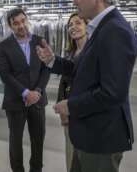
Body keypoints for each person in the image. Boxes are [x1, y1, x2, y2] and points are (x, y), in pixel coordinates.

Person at [37, 0, 137, 172]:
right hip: (90, 134)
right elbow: (82, 69)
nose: (74, 0)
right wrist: (52, 61)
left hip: (101, 138)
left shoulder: (114, 31)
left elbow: (112, 93)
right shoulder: (102, 29)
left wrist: (71, 105)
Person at [0, 8, 50, 172]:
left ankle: (36, 169)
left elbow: (46, 68)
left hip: (38, 100)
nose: (21, 26)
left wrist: (38, 91)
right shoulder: (3, 46)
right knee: (16, 141)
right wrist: (26, 93)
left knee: (38, 140)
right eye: (16, 23)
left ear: (27, 20)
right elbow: (5, 74)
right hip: (15, 101)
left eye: (23, 21)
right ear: (10, 26)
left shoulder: (40, 41)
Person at [56, 13, 87, 172]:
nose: (73, 27)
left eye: (78, 23)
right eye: (70, 25)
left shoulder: (93, 52)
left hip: (86, 114)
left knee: (86, 159)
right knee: (71, 157)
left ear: (88, 26)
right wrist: (62, 110)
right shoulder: (70, 53)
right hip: (69, 114)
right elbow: (63, 83)